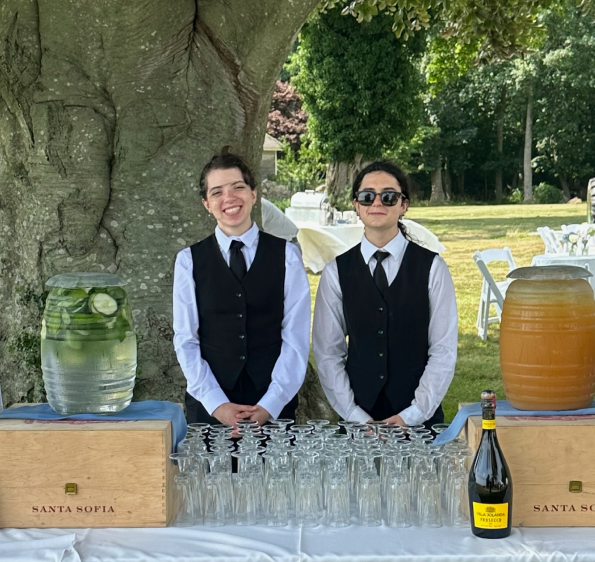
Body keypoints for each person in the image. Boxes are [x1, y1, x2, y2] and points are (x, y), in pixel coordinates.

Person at [313, 160, 458, 428]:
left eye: (389, 196)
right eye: (368, 196)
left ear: (404, 205)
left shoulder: (433, 268)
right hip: (358, 421)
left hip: (420, 424)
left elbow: (443, 351)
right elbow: (327, 353)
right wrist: (355, 415)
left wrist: (412, 415)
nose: (377, 203)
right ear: (356, 205)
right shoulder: (336, 272)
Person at [173, 151, 311, 432]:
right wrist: (217, 404)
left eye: (238, 187)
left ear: (253, 194)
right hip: (209, 406)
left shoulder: (287, 255)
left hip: (274, 404)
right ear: (206, 204)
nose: (229, 198)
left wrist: (271, 404)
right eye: (217, 192)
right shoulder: (188, 260)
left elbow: (296, 338)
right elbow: (186, 340)